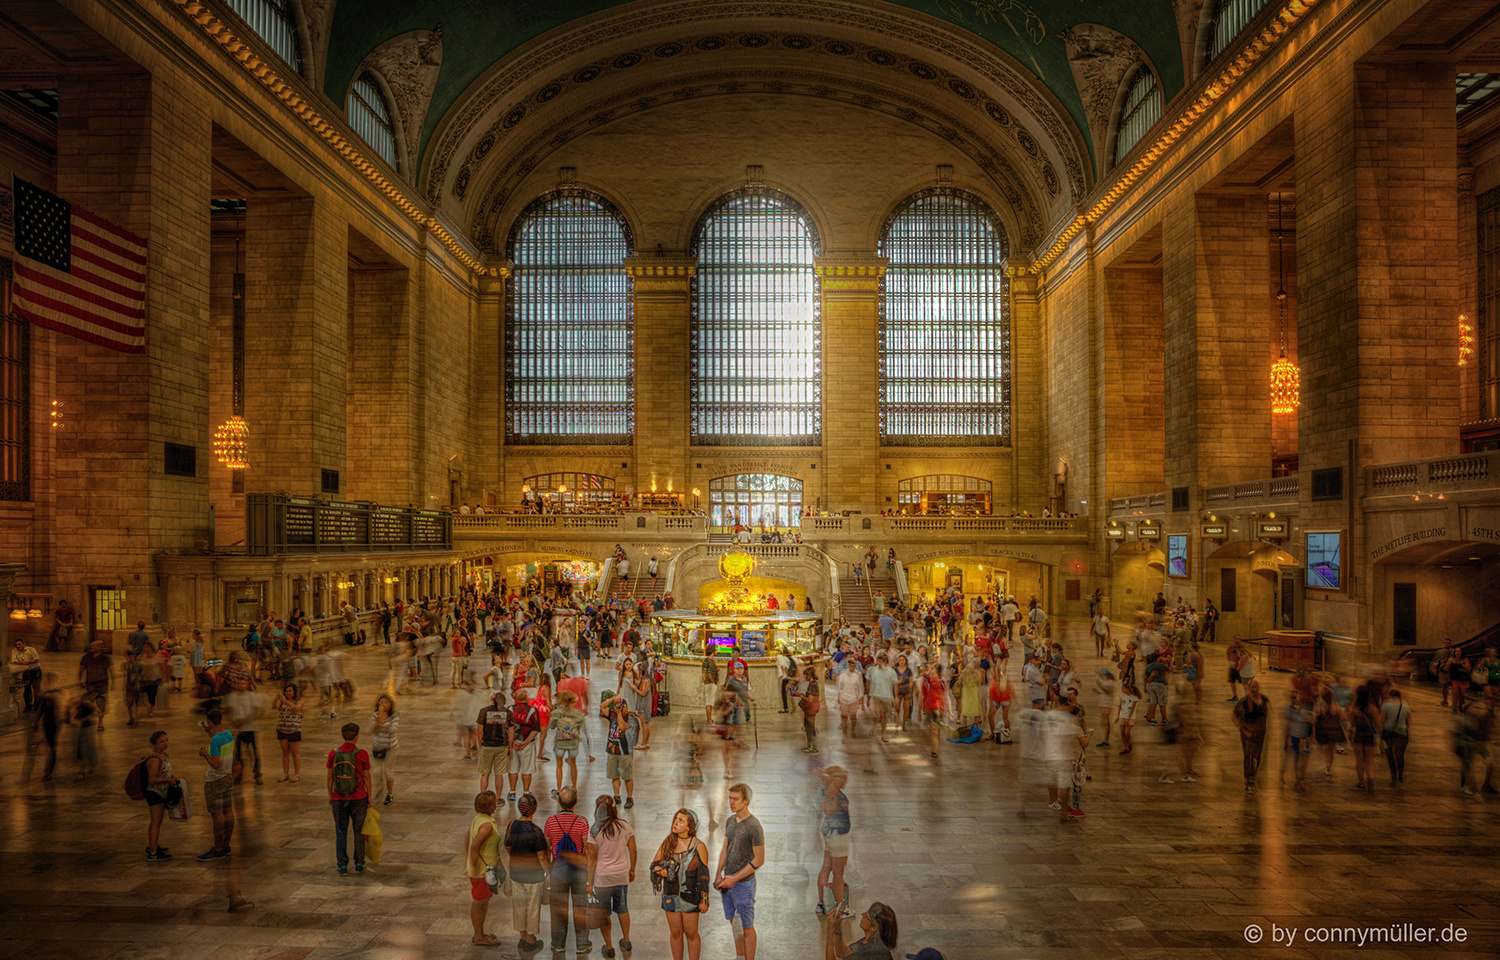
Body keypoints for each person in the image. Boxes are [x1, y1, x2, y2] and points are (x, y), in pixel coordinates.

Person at [715, 783, 766, 960]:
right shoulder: (730, 821)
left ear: (746, 801)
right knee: (734, 922)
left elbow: (759, 859)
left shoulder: (754, 826)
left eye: (735, 799)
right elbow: (725, 849)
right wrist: (718, 874)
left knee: (747, 926)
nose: (731, 802)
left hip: (744, 884)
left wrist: (734, 878)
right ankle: (740, 956)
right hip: (727, 882)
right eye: (730, 798)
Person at [653, 809, 712, 960]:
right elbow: (654, 865)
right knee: (675, 933)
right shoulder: (668, 843)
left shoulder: (699, 846)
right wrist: (663, 871)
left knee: (691, 933)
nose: (675, 823)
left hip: (691, 897)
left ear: (689, 826)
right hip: (670, 894)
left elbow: (704, 876)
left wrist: (704, 899)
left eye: (681, 821)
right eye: (675, 819)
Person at [587, 795, 637, 958]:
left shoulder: (594, 830)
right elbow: (633, 850)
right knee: (622, 908)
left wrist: (589, 882)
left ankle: (608, 946)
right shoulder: (624, 826)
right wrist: (632, 869)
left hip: (602, 878)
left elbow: (592, 858)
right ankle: (626, 940)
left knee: (604, 912)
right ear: (614, 809)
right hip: (620, 875)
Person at [544, 787, 592, 955]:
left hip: (557, 870)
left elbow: (546, 849)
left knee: (558, 910)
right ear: (576, 802)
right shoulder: (582, 822)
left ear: (559, 802)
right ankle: (582, 944)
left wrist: (548, 873)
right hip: (578, 870)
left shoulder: (550, 822)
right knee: (580, 908)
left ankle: (558, 944)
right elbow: (587, 848)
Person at [504, 792, 550, 955]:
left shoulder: (511, 825)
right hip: (534, 876)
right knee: (532, 907)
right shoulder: (536, 831)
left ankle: (522, 936)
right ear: (535, 809)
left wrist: (517, 859)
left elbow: (508, 847)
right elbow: (542, 857)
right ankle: (530, 940)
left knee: (519, 906)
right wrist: (548, 873)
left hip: (516, 874)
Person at [327, 721, 371, 876]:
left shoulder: (333, 753)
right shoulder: (362, 754)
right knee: (359, 832)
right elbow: (366, 776)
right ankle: (359, 863)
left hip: (339, 798)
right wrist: (369, 796)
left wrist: (331, 795)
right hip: (359, 798)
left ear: (342, 735)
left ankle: (342, 866)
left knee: (341, 832)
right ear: (357, 736)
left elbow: (330, 777)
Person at [196, 708, 236, 861]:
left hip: (215, 780)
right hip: (227, 777)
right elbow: (217, 740)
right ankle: (226, 845)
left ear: (210, 721)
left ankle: (218, 849)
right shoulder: (228, 734)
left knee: (217, 815)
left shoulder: (214, 741)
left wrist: (205, 754)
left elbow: (216, 764)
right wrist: (209, 730)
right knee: (228, 811)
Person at [465, 790, 502, 947]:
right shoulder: (486, 826)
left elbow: (467, 837)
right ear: (492, 807)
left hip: (481, 870)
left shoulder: (479, 819)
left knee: (483, 901)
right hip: (482, 872)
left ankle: (479, 932)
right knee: (480, 903)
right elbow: (474, 846)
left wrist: (468, 862)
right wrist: (474, 867)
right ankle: (479, 936)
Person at [815, 766, 852, 920]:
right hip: (838, 836)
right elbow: (829, 812)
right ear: (835, 778)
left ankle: (822, 903)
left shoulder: (825, 788)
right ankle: (841, 908)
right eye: (842, 778)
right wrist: (837, 801)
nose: (845, 781)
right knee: (838, 874)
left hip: (830, 834)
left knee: (826, 868)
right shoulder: (832, 791)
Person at [143, 729, 181, 861]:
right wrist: (168, 780)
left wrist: (174, 778)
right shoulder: (154, 759)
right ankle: (153, 853)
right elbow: (151, 779)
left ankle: (153, 846)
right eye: (162, 741)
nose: (165, 743)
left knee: (157, 822)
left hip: (161, 792)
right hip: (155, 793)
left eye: (166, 740)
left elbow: (165, 772)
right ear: (155, 744)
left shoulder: (164, 756)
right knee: (155, 822)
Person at [600, 691, 638, 807]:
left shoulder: (630, 719)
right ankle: (617, 796)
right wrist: (613, 699)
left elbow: (622, 727)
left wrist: (619, 714)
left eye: (622, 706)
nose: (619, 708)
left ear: (626, 707)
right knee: (614, 775)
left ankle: (629, 797)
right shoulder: (612, 715)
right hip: (612, 750)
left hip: (625, 752)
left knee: (627, 776)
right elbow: (602, 706)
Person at [1232, 679, 1270, 794]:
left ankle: (1253, 776)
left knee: (1257, 756)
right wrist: (1243, 729)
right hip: (1248, 733)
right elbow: (1235, 716)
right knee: (1249, 756)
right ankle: (1249, 781)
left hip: (1260, 733)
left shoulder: (1264, 699)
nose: (1254, 688)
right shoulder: (1244, 702)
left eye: (1256, 686)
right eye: (1252, 686)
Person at [827, 901, 900, 959]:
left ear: (873, 928)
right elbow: (842, 952)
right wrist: (837, 926)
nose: (862, 914)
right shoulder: (872, 940)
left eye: (866, 916)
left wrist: (830, 930)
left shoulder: (868, 951)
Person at [508, 686, 543, 801]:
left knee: (513, 768)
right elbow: (536, 729)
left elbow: (506, 728)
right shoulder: (533, 710)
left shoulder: (509, 709)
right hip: (527, 744)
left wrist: (512, 742)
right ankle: (526, 792)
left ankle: (512, 792)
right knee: (527, 769)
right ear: (527, 698)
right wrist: (525, 742)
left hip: (512, 744)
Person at [552, 689, 588, 798]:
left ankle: (558, 789)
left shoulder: (557, 713)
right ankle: (574, 787)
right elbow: (580, 726)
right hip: (573, 742)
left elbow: (552, 726)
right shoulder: (578, 714)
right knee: (573, 764)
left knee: (559, 765)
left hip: (560, 742)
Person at [476, 689, 510, 794]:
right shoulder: (507, 712)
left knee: (485, 773)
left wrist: (480, 745)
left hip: (487, 745)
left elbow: (480, 731)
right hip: (502, 746)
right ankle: (498, 797)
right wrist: (510, 745)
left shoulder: (484, 712)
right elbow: (511, 731)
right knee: (499, 774)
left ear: (493, 701)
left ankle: (482, 794)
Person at [370, 694, 399, 805]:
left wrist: (384, 723)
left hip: (391, 748)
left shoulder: (394, 716)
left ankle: (390, 794)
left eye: (386, 702)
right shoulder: (375, 715)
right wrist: (377, 723)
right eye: (381, 703)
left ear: (390, 705)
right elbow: (372, 729)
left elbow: (393, 729)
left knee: (388, 771)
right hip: (378, 747)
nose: (383, 705)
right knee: (376, 771)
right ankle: (379, 789)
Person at [1380, 687, 1411, 787]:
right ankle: (1401, 775)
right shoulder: (1406, 706)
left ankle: (1393, 774)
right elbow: (1409, 721)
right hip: (1402, 733)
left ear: (1390, 696)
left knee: (1390, 754)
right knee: (1400, 755)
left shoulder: (1385, 705)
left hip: (1389, 732)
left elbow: (1382, 720)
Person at [273, 682, 303, 782]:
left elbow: (296, 709)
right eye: (286, 691)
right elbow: (276, 707)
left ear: (295, 692)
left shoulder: (299, 701)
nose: (288, 693)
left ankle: (297, 774)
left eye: (290, 691)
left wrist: (284, 700)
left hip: (294, 729)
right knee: (285, 753)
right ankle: (285, 773)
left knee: (295, 753)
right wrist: (277, 698)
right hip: (282, 728)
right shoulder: (282, 701)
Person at [10, 638, 42, 711]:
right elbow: (14, 661)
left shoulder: (31, 649)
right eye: (16, 645)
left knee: (36, 688)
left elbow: (36, 660)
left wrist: (27, 662)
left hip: (35, 671)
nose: (18, 646)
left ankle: (37, 705)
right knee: (27, 689)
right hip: (26, 672)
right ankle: (28, 705)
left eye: (19, 644)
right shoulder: (14, 651)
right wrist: (22, 663)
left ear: (23, 644)